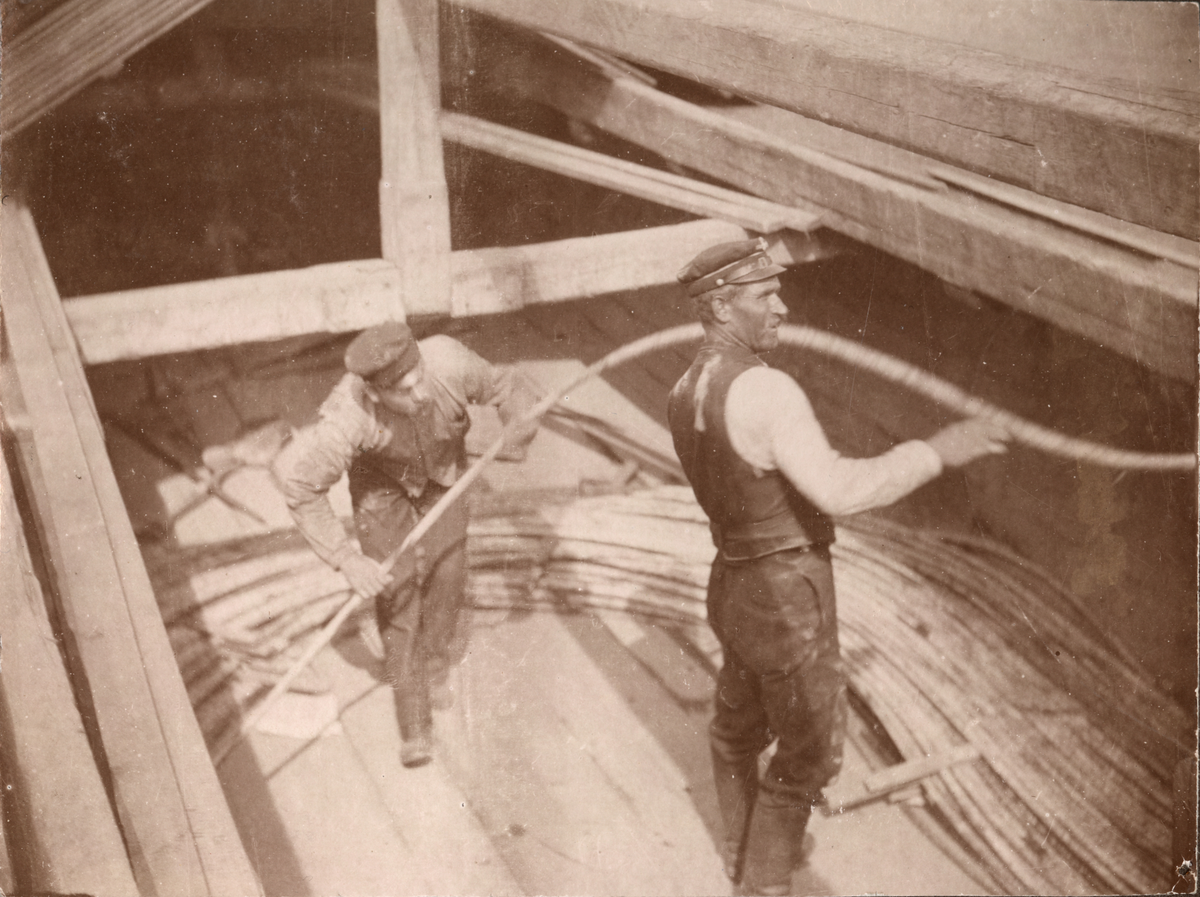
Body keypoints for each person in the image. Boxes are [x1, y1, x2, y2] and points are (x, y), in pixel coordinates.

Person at [666, 239, 1008, 895]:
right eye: (764, 295)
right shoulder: (767, 389)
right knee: (811, 748)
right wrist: (940, 450)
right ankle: (764, 881)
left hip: (733, 583)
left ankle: (741, 847)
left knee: (737, 724)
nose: (782, 307)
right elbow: (841, 491)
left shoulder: (683, 390)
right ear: (721, 306)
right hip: (786, 595)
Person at [273, 321, 537, 768]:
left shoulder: (448, 360)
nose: (420, 395)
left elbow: (508, 385)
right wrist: (346, 559)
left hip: (444, 470)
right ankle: (414, 723)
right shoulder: (347, 418)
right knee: (395, 591)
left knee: (449, 574)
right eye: (403, 391)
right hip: (382, 485)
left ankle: (432, 668)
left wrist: (518, 424)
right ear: (375, 394)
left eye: (420, 380)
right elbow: (300, 488)